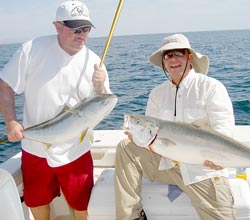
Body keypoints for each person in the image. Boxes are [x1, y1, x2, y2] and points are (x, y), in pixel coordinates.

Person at [0, 1, 111, 220]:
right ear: (57, 26)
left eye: (86, 29)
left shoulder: (95, 61)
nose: (81, 35)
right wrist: (11, 122)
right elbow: (5, 84)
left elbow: (103, 104)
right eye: (74, 28)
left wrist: (99, 86)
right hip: (36, 147)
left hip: (75, 149)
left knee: (82, 202)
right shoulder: (32, 49)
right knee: (37, 200)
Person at [114, 34, 235, 220]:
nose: (173, 59)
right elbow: (150, 136)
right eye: (167, 55)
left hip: (202, 170)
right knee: (125, 147)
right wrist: (138, 138)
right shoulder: (157, 93)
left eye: (179, 53)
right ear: (163, 62)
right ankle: (131, 216)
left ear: (190, 57)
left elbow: (223, 131)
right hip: (166, 164)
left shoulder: (211, 87)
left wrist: (218, 157)